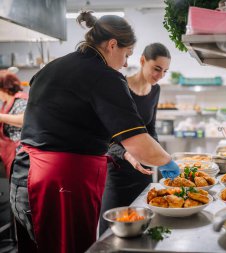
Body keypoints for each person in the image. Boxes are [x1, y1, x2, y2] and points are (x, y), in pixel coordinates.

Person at [9, 11, 179, 253]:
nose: (125, 63)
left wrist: (130, 153)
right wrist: (169, 162)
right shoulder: (105, 77)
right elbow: (139, 142)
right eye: (126, 54)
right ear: (112, 45)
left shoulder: (53, 67)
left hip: (25, 175)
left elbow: (70, 122)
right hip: (63, 181)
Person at [99, 43, 171, 236]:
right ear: (142, 61)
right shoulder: (118, 86)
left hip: (144, 172)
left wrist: (161, 158)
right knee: (111, 229)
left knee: (141, 225)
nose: (160, 76)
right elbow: (106, 135)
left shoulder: (155, 91)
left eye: (165, 71)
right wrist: (126, 154)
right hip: (117, 171)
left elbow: (150, 129)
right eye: (157, 69)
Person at [0, 70, 28, 178]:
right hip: (11, 153)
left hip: (21, 154)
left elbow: (24, 120)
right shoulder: (7, 102)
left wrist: (1, 117)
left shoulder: (20, 100)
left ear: (4, 87)